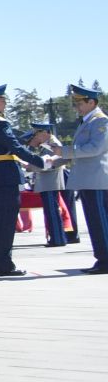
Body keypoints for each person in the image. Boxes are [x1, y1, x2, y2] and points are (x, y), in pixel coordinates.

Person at [0, 84, 48, 277]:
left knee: (0, 221)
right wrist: (41, 161)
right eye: (3, 99)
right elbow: (15, 147)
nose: (6, 102)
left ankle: (0, 264)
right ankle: (4, 265)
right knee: (6, 221)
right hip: (6, 175)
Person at [67, 82, 107, 273]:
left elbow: (94, 149)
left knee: (98, 220)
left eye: (79, 103)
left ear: (91, 102)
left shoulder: (100, 121)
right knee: (94, 220)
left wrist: (66, 151)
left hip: (96, 179)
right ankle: (102, 258)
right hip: (90, 179)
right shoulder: (89, 121)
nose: (77, 108)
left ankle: (105, 260)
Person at [29, 123, 70, 246]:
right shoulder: (46, 144)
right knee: (50, 211)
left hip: (50, 181)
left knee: (52, 211)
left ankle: (58, 239)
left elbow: (59, 161)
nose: (36, 137)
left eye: (37, 133)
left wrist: (32, 167)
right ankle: (56, 238)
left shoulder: (53, 143)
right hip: (47, 181)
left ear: (45, 132)